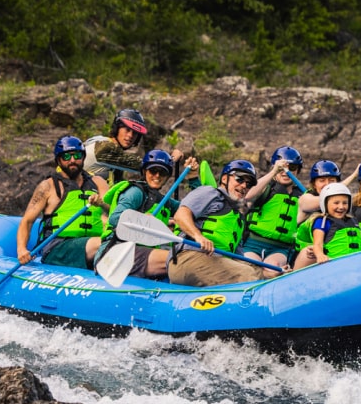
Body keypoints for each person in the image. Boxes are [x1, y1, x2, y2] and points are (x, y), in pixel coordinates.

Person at [168, 158, 289, 286]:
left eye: (248, 184)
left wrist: (267, 275)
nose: (244, 186)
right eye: (239, 179)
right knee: (246, 274)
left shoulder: (238, 220)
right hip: (188, 258)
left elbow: (238, 259)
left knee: (254, 270)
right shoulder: (210, 192)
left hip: (216, 261)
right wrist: (199, 237)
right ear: (225, 179)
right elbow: (180, 215)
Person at [100, 149, 196, 280]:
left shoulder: (165, 201)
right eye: (153, 171)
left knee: (187, 258)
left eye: (162, 172)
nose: (157, 175)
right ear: (144, 171)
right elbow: (115, 219)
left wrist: (193, 178)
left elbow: (194, 208)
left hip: (143, 253)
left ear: (167, 177)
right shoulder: (135, 192)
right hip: (116, 252)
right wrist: (142, 219)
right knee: (179, 260)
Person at [15, 135, 109, 269]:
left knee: (113, 244)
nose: (72, 160)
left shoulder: (98, 183)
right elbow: (27, 221)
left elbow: (114, 209)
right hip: (58, 247)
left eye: (76, 156)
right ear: (59, 161)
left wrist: (101, 203)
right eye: (66, 157)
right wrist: (21, 250)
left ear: (83, 157)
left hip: (92, 245)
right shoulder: (48, 186)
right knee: (102, 244)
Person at [241, 145, 304, 273]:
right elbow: (247, 195)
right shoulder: (265, 187)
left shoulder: (302, 195)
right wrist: (274, 171)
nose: (286, 172)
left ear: (298, 170)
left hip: (280, 249)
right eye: (282, 168)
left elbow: (322, 201)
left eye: (292, 168)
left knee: (273, 269)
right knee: (249, 269)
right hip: (253, 243)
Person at [85, 108, 190, 185]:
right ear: (117, 129)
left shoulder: (100, 141)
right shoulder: (106, 147)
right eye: (127, 130)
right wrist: (171, 159)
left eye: (135, 133)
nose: (130, 136)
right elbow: (144, 165)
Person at [310, 182, 361, 263]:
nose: (341, 207)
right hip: (334, 266)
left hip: (356, 266)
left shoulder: (353, 222)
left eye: (345, 203)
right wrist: (320, 255)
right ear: (325, 204)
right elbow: (318, 244)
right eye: (336, 203)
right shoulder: (322, 222)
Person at [290, 159, 343, 270]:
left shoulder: (343, 208)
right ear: (314, 184)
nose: (327, 185)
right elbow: (323, 199)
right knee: (308, 252)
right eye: (322, 180)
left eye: (332, 180)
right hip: (303, 255)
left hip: (331, 254)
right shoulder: (305, 199)